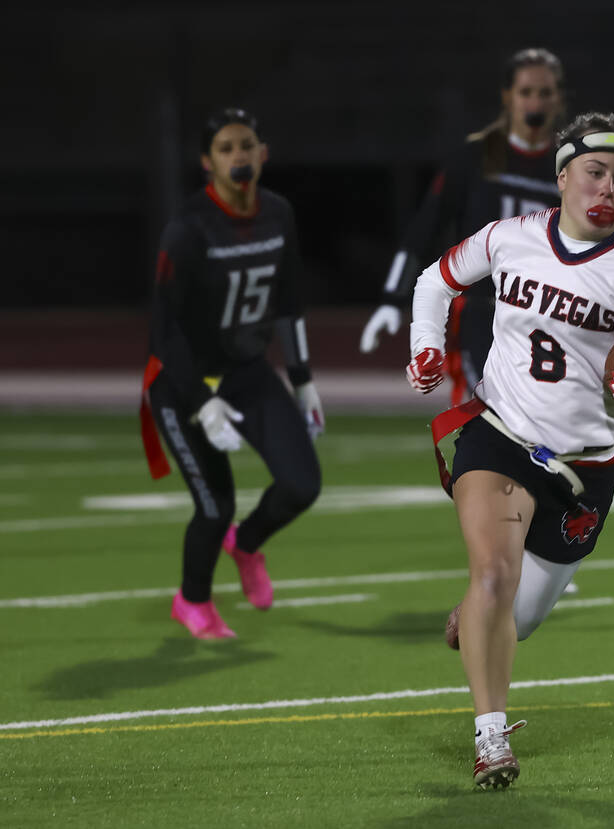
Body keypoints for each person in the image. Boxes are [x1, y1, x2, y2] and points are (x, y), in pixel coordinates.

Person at [406, 112, 614, 789]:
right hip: (501, 434)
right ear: (563, 174)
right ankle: (491, 740)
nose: (609, 186)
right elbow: (436, 280)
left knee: (520, 616)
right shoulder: (513, 237)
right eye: (596, 171)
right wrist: (426, 344)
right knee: (492, 577)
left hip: (588, 468)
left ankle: (479, 621)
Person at [139, 107, 324, 640]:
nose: (238, 156)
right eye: (225, 148)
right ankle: (191, 599)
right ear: (206, 161)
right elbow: (162, 329)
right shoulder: (190, 226)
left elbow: (288, 302)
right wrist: (200, 399)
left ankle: (246, 546)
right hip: (182, 381)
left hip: (246, 370)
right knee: (214, 505)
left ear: (263, 153)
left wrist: (303, 377)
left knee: (302, 483)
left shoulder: (277, 213)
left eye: (246, 145)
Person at [360, 47, 568, 405]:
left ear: (559, 98)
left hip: (549, 316)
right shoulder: (475, 157)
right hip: (481, 312)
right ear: (507, 96)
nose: (536, 101)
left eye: (545, 92)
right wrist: (392, 298)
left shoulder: (570, 165)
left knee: (547, 421)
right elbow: (423, 230)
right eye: (526, 91)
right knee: (489, 414)